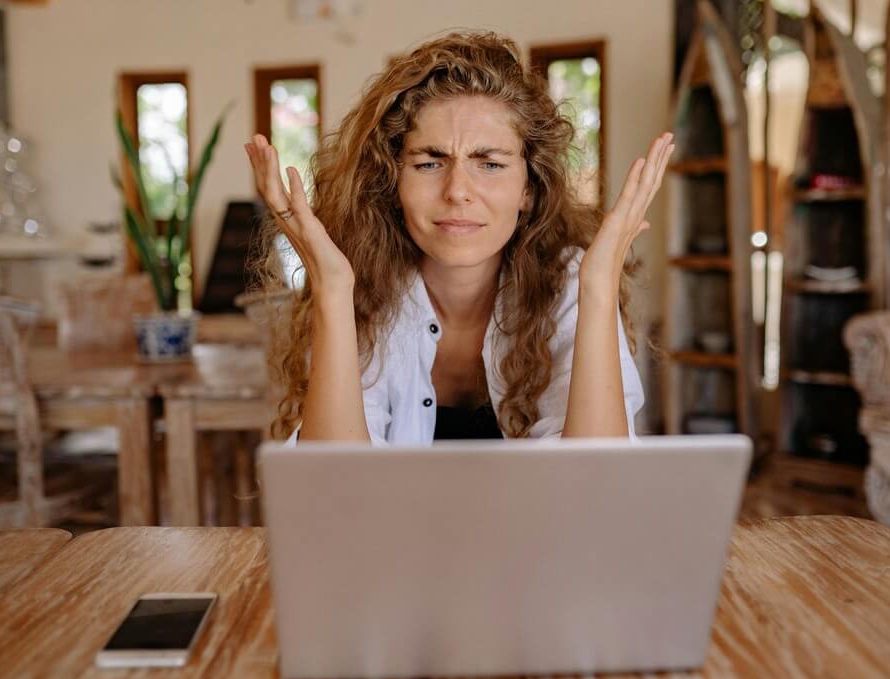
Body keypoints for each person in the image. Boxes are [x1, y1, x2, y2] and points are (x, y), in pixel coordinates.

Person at [245, 31, 673, 444]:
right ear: (392, 183)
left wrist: (598, 287)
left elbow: (595, 486)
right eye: (430, 163)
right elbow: (333, 488)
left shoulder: (567, 281)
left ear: (529, 188)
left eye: (489, 164)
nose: (458, 191)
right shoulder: (362, 287)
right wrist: (333, 290)